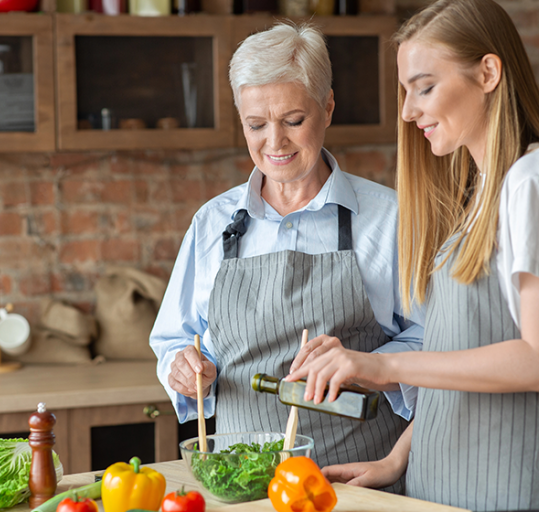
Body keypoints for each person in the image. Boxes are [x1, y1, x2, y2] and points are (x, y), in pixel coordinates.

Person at [286, 0, 539, 510]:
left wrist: (385, 367)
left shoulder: (534, 181)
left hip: (516, 489)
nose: (409, 111)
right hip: (445, 489)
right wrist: (399, 457)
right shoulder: (483, 193)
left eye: (425, 87)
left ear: (488, 72)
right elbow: (466, 352)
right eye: (406, 91)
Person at [149, 22, 424, 490]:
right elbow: (177, 339)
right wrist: (184, 366)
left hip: (355, 486)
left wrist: (370, 367)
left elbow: (435, 342)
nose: (274, 143)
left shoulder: (390, 219)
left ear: (328, 107)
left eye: (293, 120)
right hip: (240, 484)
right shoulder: (213, 223)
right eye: (256, 125)